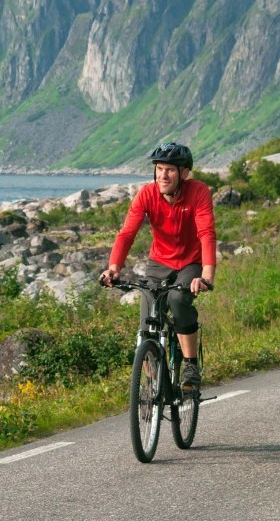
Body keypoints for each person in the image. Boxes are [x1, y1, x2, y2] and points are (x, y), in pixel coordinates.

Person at [100, 142, 217, 389]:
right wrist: (114, 268)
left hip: (190, 263)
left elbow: (206, 232)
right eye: (159, 169)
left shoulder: (198, 192)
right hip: (159, 262)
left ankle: (190, 364)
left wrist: (206, 275)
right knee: (147, 320)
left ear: (184, 173)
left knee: (177, 299)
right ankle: (155, 385)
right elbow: (126, 234)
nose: (163, 175)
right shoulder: (146, 194)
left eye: (170, 170)